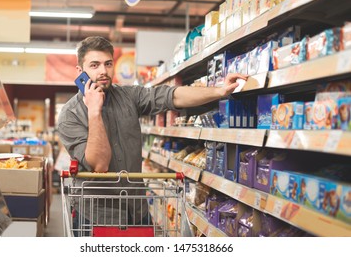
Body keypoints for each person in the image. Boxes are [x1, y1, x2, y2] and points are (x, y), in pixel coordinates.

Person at [57, 36, 247, 236]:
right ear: (80, 71)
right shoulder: (70, 115)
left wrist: (219, 91)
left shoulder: (128, 96)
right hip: (97, 217)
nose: (103, 71)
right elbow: (99, 165)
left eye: (108, 64)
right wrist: (94, 111)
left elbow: (171, 96)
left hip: (137, 212)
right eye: (94, 65)